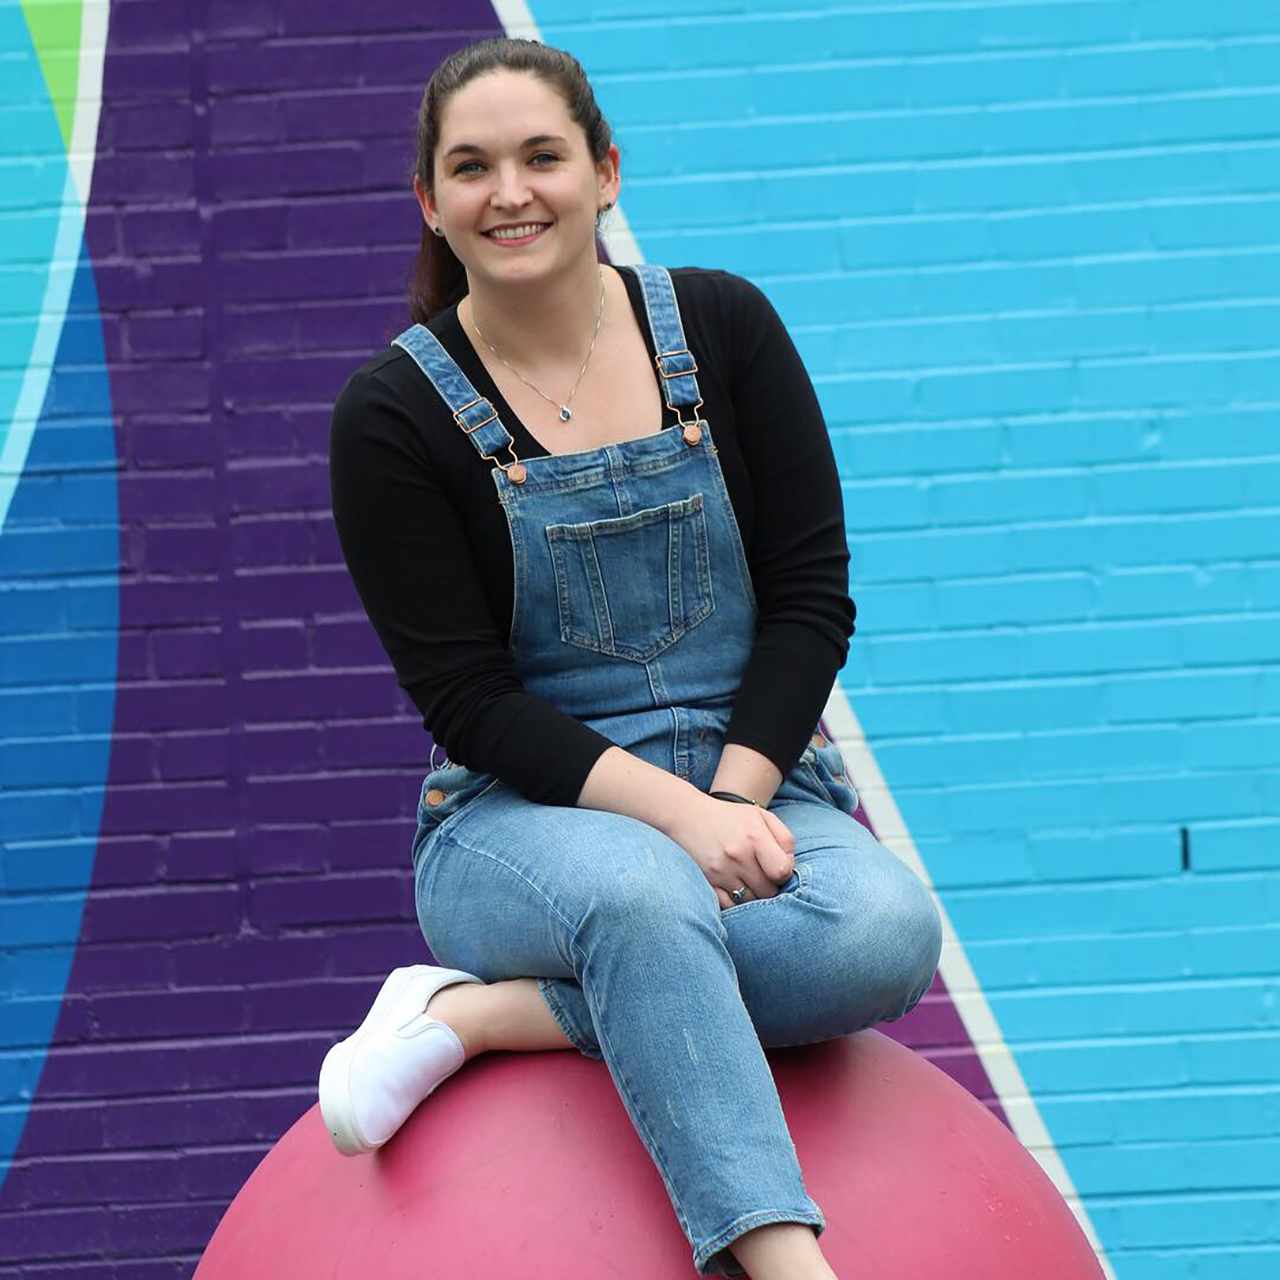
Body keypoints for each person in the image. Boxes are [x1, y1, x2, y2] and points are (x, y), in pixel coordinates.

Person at [319, 35, 942, 1280]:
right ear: (428, 201)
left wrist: (733, 799)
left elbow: (812, 597)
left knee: (882, 928)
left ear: (604, 171)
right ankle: (783, 1262)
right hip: (521, 815)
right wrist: (675, 825)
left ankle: (482, 1015)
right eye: (472, 166)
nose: (511, 193)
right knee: (640, 895)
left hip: (755, 782)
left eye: (543, 156)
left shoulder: (722, 324)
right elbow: (468, 701)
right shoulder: (389, 417)